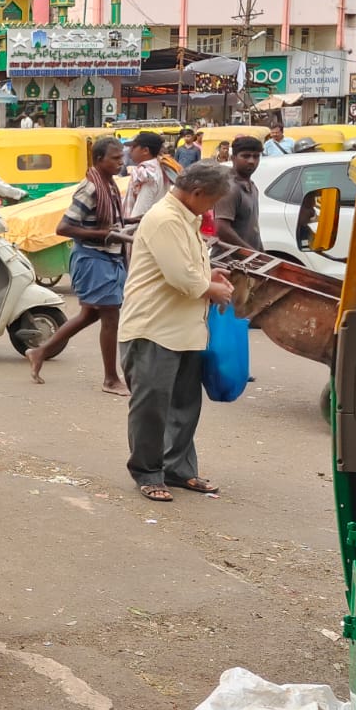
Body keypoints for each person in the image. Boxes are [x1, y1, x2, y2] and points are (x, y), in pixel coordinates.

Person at [119, 161, 236, 502]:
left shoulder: (187, 219)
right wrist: (212, 290)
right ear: (197, 192)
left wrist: (210, 275)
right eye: (211, 201)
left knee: (184, 405)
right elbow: (183, 279)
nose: (212, 208)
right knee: (151, 407)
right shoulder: (165, 219)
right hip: (153, 329)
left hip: (184, 330)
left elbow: (190, 269)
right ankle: (148, 472)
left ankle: (179, 469)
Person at [26, 136, 131, 395]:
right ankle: (110, 379)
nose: (121, 162)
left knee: (91, 314)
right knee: (110, 315)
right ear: (98, 160)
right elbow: (64, 228)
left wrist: (132, 221)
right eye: (115, 158)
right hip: (94, 258)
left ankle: (40, 351)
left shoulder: (109, 185)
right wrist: (106, 234)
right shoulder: (91, 189)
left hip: (107, 257)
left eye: (121, 158)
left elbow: (109, 221)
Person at [214, 135, 264, 250]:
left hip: (248, 261)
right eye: (246, 156)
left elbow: (253, 230)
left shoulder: (252, 187)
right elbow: (222, 229)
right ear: (233, 158)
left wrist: (261, 254)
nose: (252, 161)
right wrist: (250, 253)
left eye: (256, 156)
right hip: (230, 262)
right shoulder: (229, 188)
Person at [123, 131, 170, 219]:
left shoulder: (147, 174)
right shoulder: (159, 167)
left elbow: (140, 211)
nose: (130, 151)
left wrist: (129, 228)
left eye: (133, 147)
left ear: (145, 151)